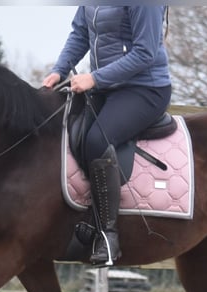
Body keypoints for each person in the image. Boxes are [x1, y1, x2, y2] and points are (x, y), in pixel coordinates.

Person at [43, 6, 172, 267]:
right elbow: (80, 33)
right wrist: (59, 69)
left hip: (145, 89)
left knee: (96, 140)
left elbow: (145, 52)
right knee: (65, 128)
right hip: (106, 87)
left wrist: (95, 78)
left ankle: (108, 237)